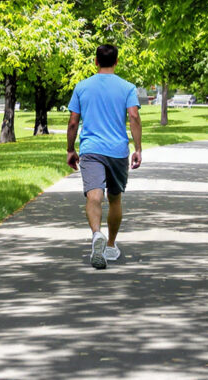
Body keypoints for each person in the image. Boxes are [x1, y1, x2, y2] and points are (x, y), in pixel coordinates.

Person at [66, 44, 142, 269]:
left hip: (91, 150)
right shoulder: (127, 87)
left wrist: (71, 149)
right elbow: (134, 117)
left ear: (96, 62)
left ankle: (96, 233)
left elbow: (72, 122)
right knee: (115, 198)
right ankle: (109, 245)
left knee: (94, 196)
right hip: (118, 151)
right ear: (116, 62)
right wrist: (138, 148)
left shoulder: (82, 86)